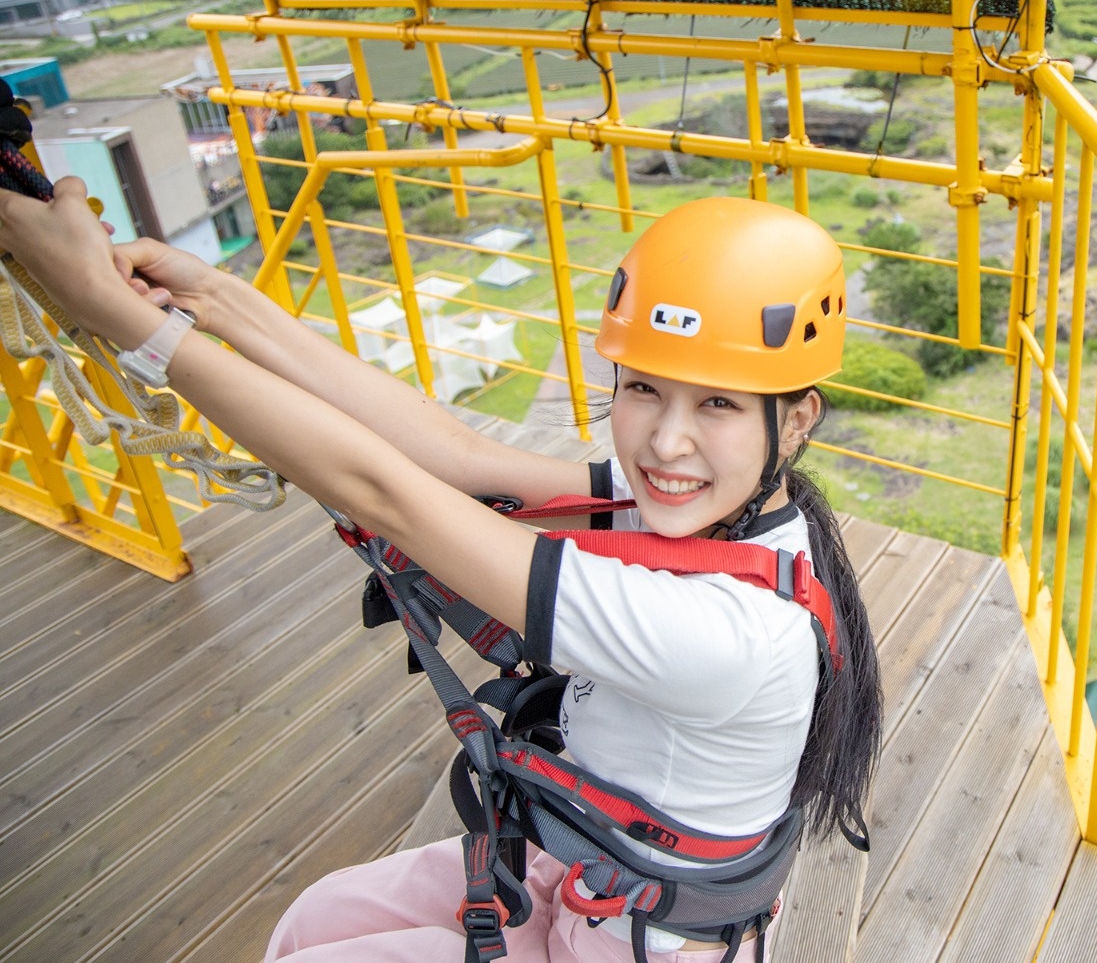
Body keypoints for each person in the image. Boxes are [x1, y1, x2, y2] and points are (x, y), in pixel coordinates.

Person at [0, 185, 881, 962]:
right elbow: (458, 456)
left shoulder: (730, 636)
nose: (665, 443)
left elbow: (389, 495)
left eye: (718, 404)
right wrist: (213, 298)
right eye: (643, 388)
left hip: (630, 933)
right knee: (313, 922)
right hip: (580, 860)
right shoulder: (728, 510)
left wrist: (113, 316)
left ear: (797, 419)